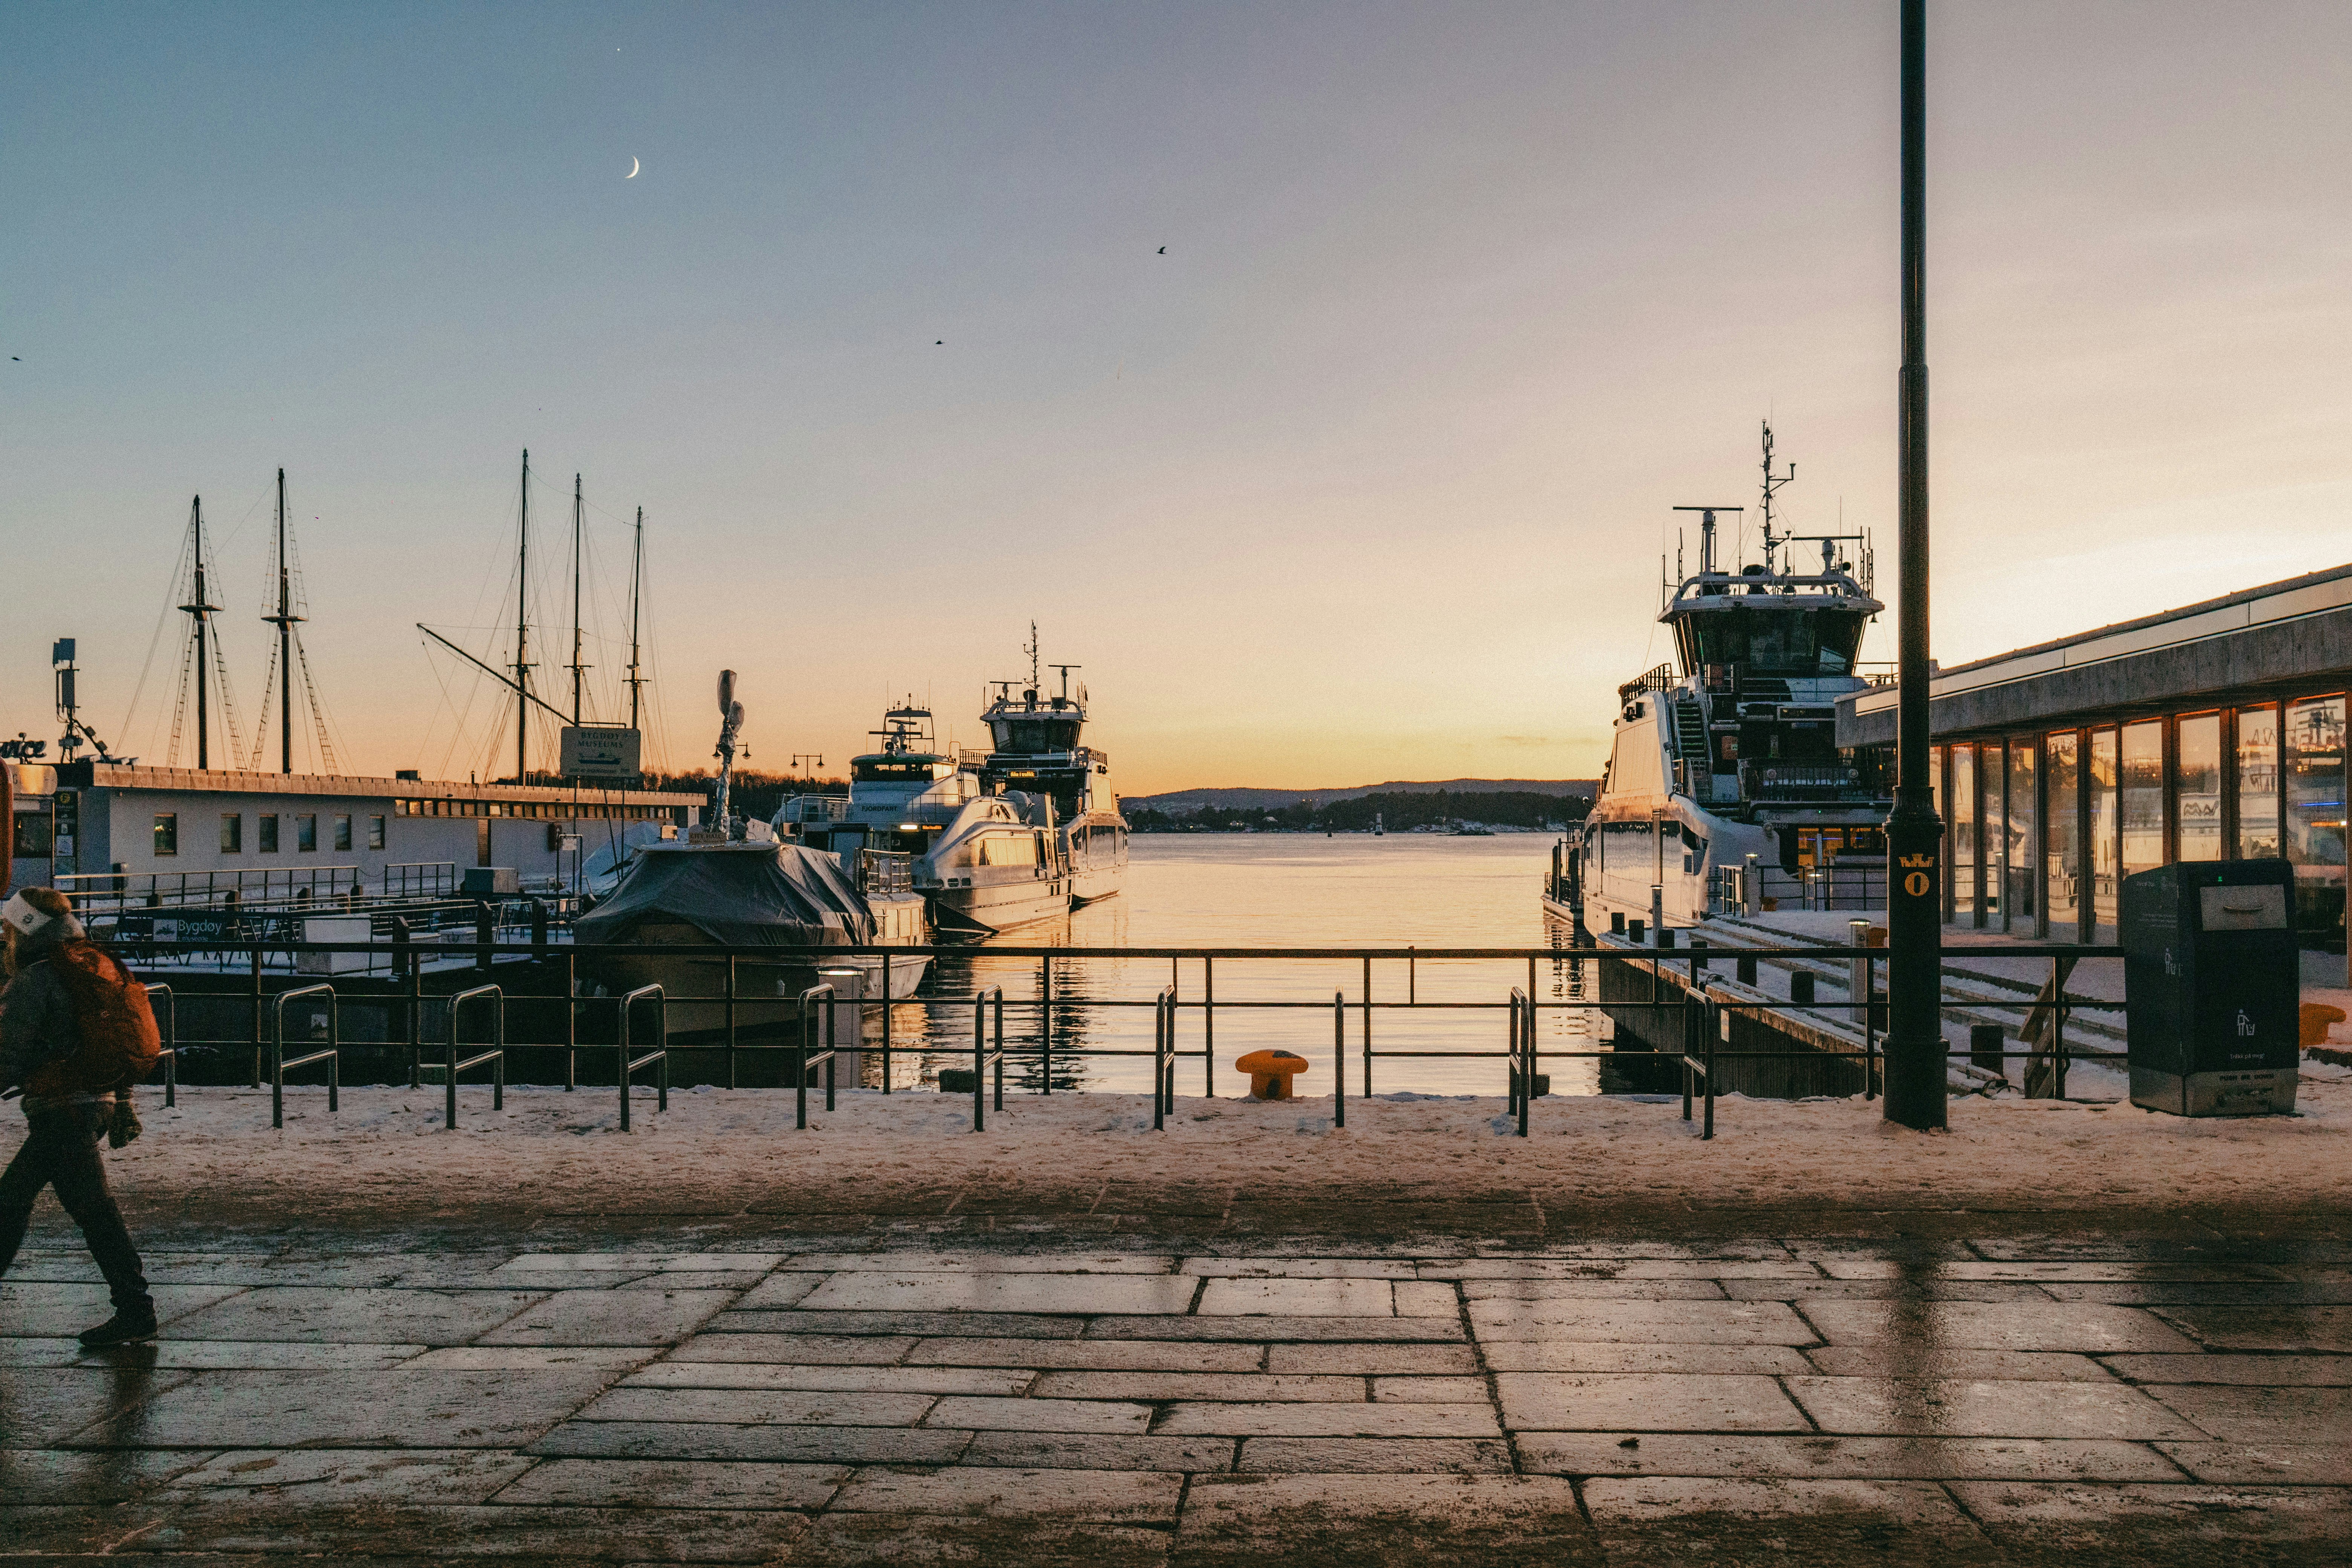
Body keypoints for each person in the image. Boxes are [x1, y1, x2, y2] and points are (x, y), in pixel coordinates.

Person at [0, 887, 157, 1346]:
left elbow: (8, 1052)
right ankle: (135, 1308)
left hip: (62, 1110)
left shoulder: (36, 979)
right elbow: (111, 1039)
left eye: (9, 929)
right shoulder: (90, 965)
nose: (5, 938)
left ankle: (137, 1309)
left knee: (61, 1208)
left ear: (26, 930)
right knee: (46, 1204)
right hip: (94, 1103)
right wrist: (123, 1100)